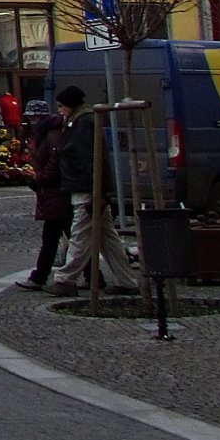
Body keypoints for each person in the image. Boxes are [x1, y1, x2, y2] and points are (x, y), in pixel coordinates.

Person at [49, 86, 136, 295]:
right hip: (88, 187)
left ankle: (65, 279)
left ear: (70, 105)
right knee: (108, 238)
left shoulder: (82, 122)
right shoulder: (79, 120)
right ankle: (127, 281)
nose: (60, 110)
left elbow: (90, 158)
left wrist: (98, 192)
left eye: (61, 106)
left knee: (80, 235)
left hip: (86, 189)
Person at [17, 100, 71, 291]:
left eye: (34, 117)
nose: (31, 121)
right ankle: (91, 276)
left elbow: (54, 163)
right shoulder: (46, 134)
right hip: (52, 193)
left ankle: (40, 277)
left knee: (54, 238)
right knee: (67, 236)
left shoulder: (52, 135)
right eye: (29, 117)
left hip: (55, 192)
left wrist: (39, 178)